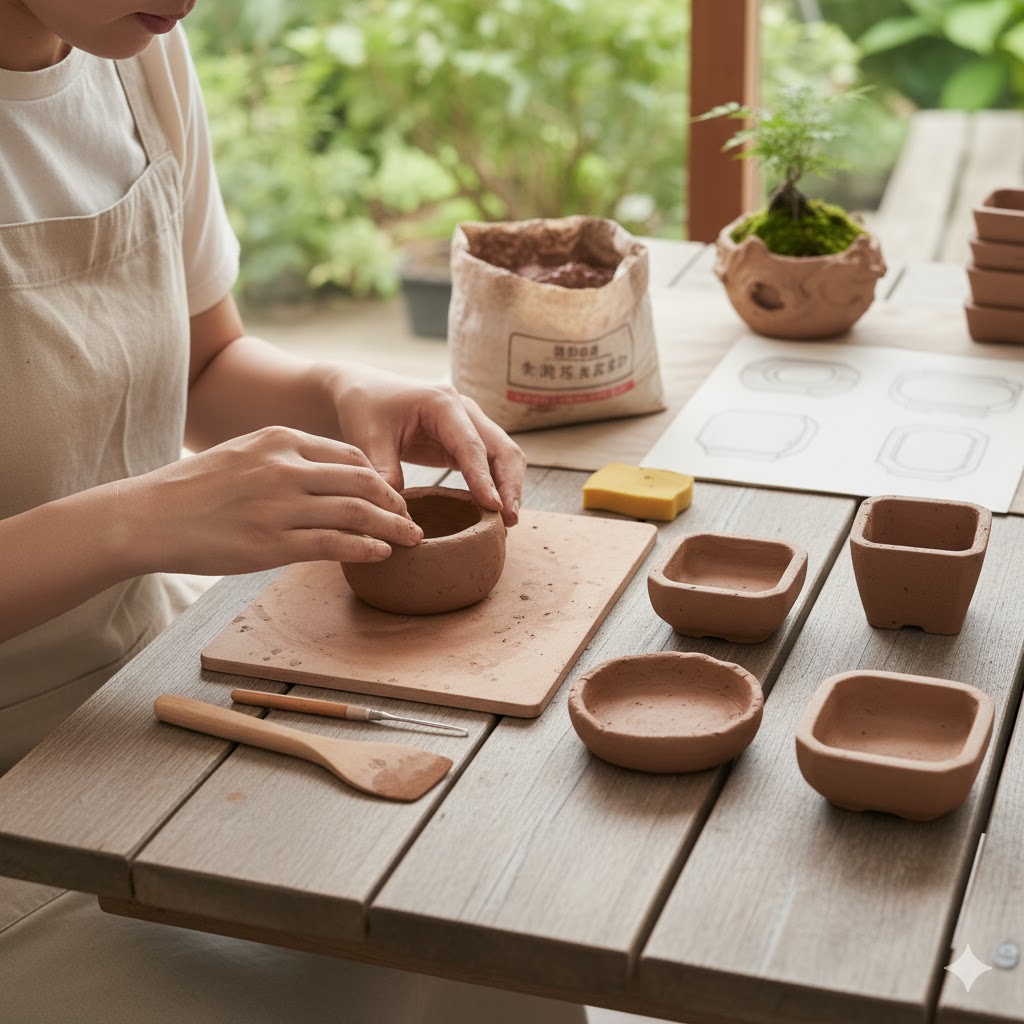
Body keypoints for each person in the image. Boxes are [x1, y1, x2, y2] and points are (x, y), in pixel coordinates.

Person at [0, 3, 585, 1021]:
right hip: (26, 773)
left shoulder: (135, 56)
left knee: (494, 930)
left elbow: (205, 361)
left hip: (146, 678)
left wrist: (344, 393)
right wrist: (137, 519)